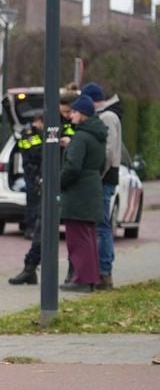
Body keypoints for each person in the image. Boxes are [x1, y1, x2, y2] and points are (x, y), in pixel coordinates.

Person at [8, 96, 71, 285]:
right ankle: (30, 267)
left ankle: (75, 272)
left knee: (73, 232)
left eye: (70, 111)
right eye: (65, 111)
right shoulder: (45, 129)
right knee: (41, 226)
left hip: (66, 183)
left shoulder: (69, 127)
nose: (68, 115)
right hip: (42, 179)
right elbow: (34, 151)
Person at [58, 93, 107, 292]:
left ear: (83, 114)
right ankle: (91, 278)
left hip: (78, 195)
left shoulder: (80, 137)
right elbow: (101, 164)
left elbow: (72, 167)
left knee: (77, 240)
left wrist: (58, 183)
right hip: (92, 190)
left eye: (74, 112)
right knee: (89, 237)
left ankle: (82, 280)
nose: (71, 116)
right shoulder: (98, 136)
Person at [79, 82, 122, 289]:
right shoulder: (107, 116)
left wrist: (97, 174)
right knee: (100, 225)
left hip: (104, 178)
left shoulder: (107, 117)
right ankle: (102, 271)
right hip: (105, 177)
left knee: (102, 225)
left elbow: (108, 150)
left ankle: (104, 272)